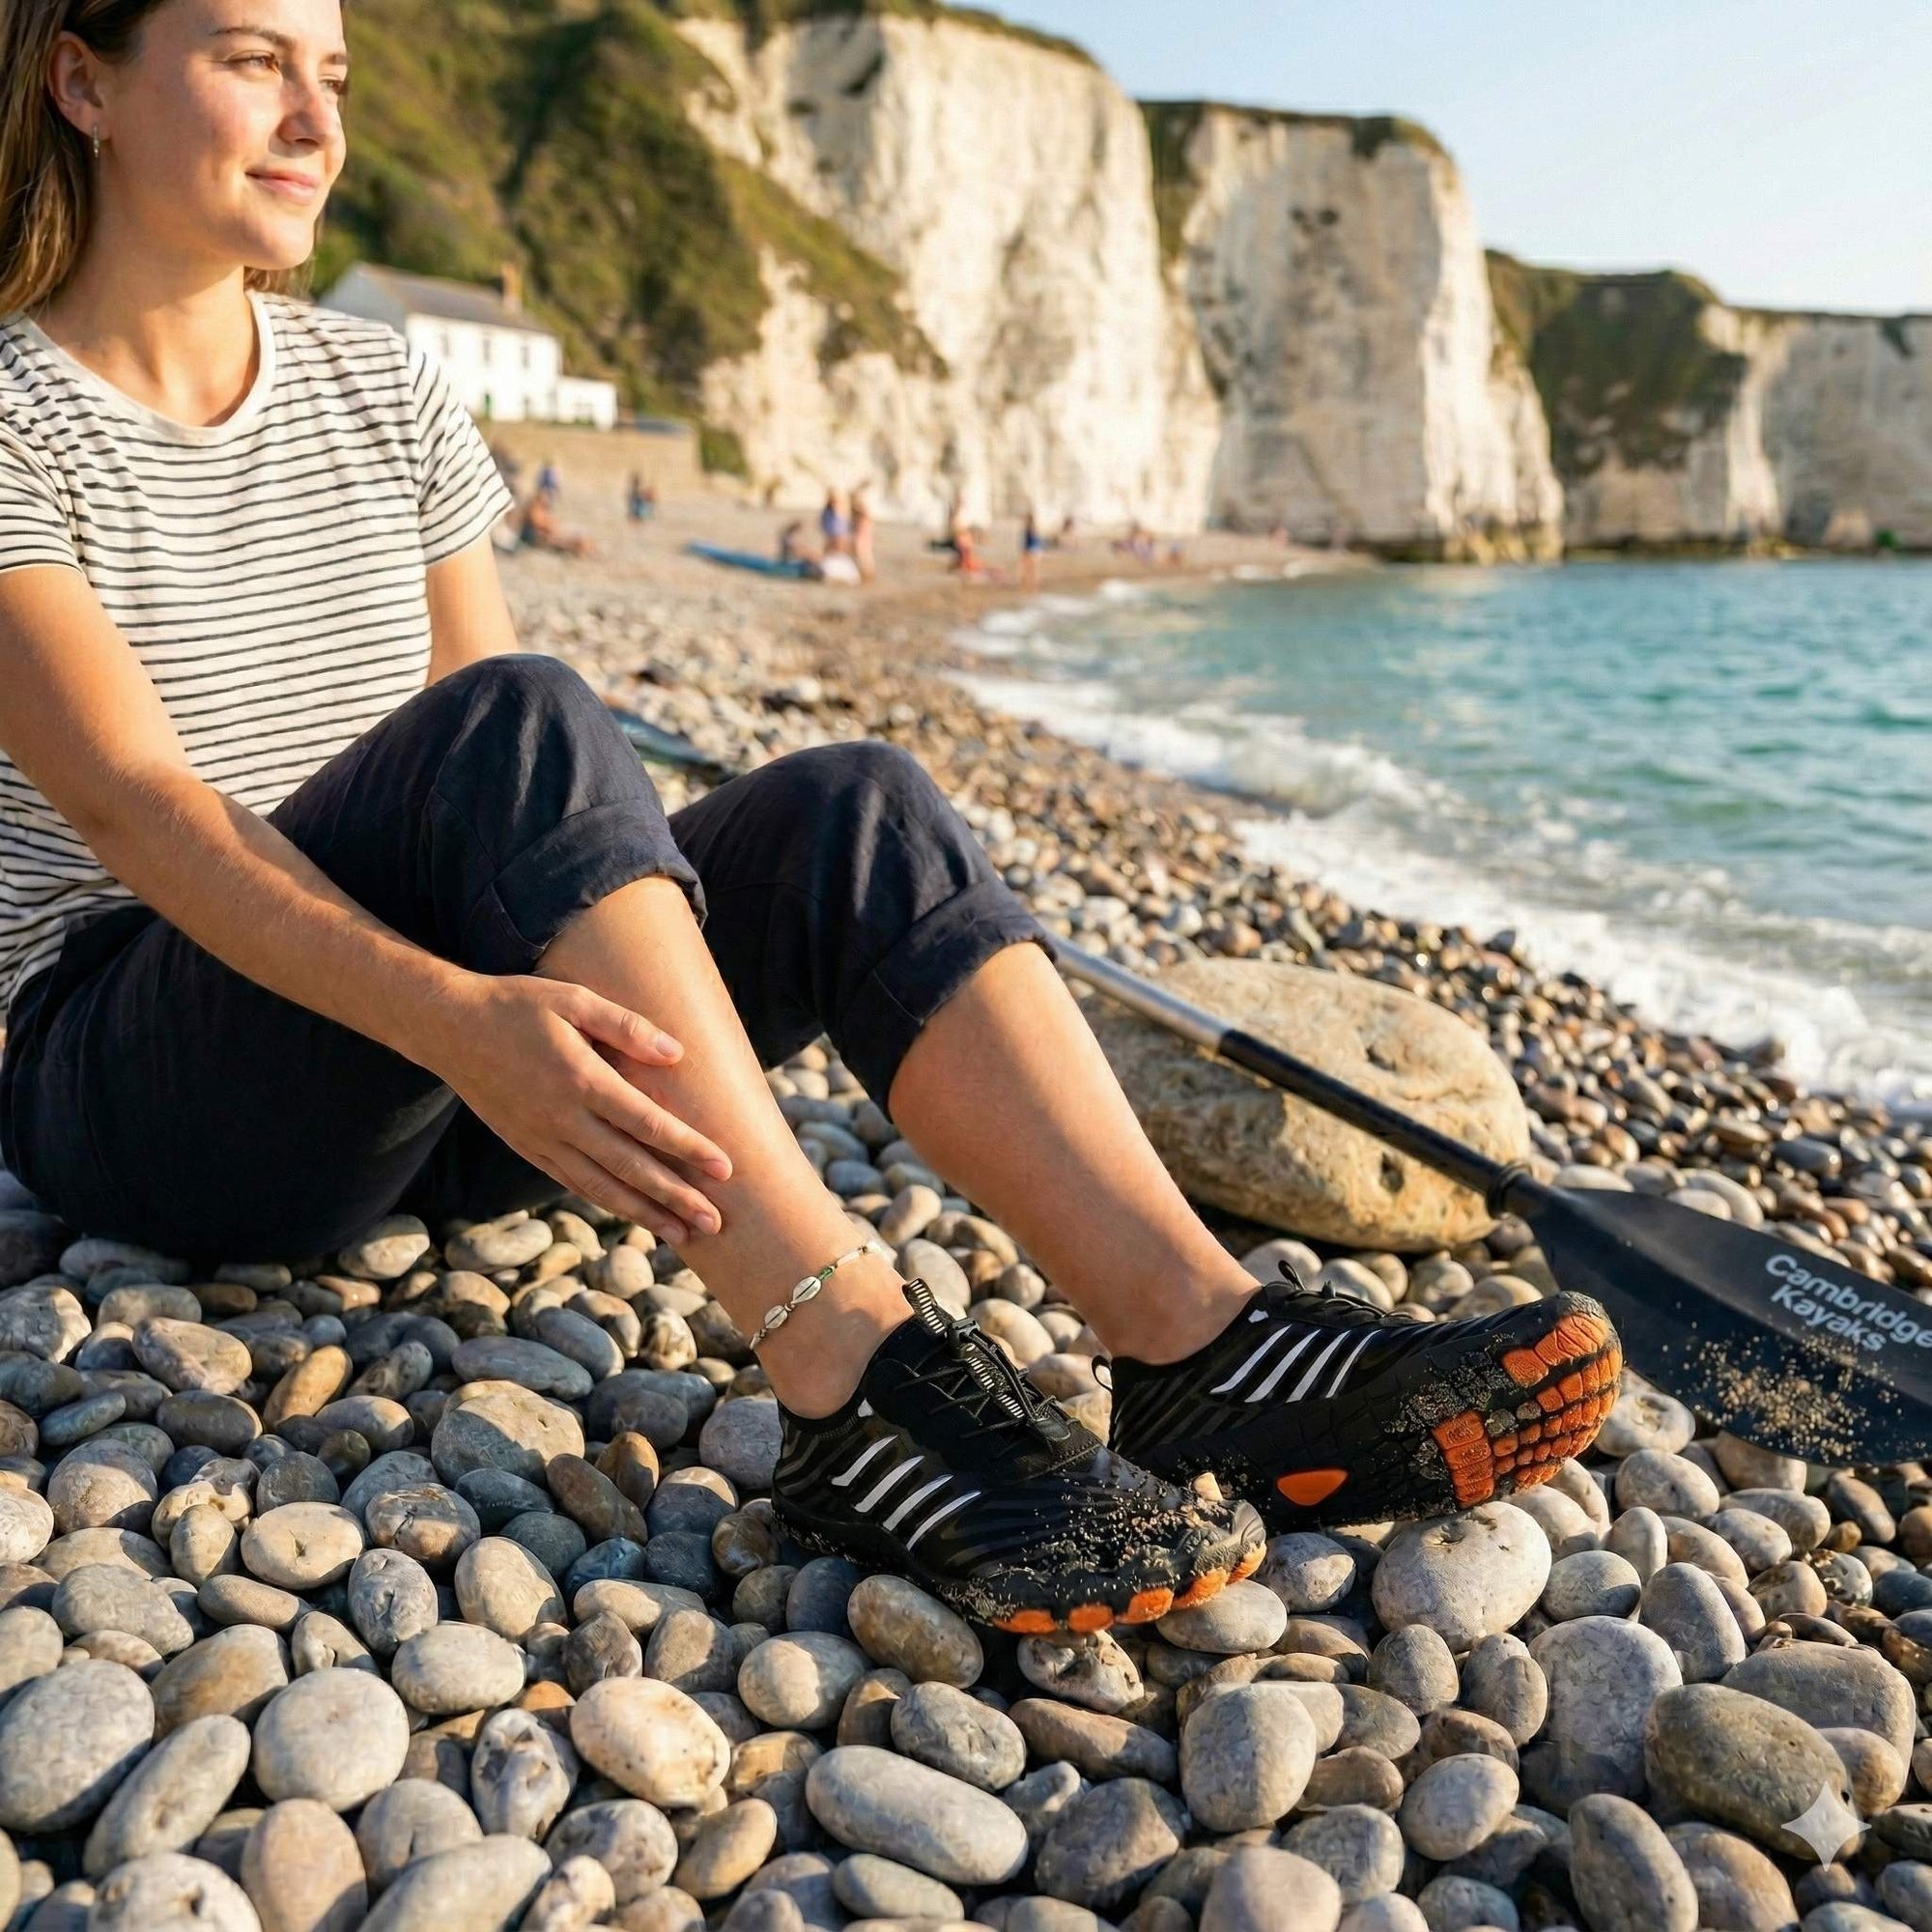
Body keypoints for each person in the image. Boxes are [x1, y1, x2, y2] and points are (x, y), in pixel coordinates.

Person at [0, 0, 1619, 1633]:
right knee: (523, 720)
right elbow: (144, 811)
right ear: (84, 79)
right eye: (251, 60)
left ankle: (1199, 1342)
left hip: (438, 1074)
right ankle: (848, 1370)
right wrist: (467, 1018)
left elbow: (482, 789)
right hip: (147, 1084)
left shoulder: (380, 381)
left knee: (858, 806)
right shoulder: (12, 411)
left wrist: (510, 1010)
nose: (315, 121)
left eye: (332, 73)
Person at [850, 486, 875, 584]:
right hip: (863, 534)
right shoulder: (860, 510)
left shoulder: (861, 510)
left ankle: (866, 576)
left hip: (862, 535)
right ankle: (866, 575)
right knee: (864, 556)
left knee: (863, 556)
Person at [1020, 509, 1044, 591]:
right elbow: (1037, 540)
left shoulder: (1028, 528)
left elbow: (1027, 542)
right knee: (1035, 570)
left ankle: (1029, 587)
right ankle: (1034, 587)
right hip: (1037, 550)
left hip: (1030, 551)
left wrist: (1024, 552)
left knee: (1028, 570)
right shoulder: (1035, 528)